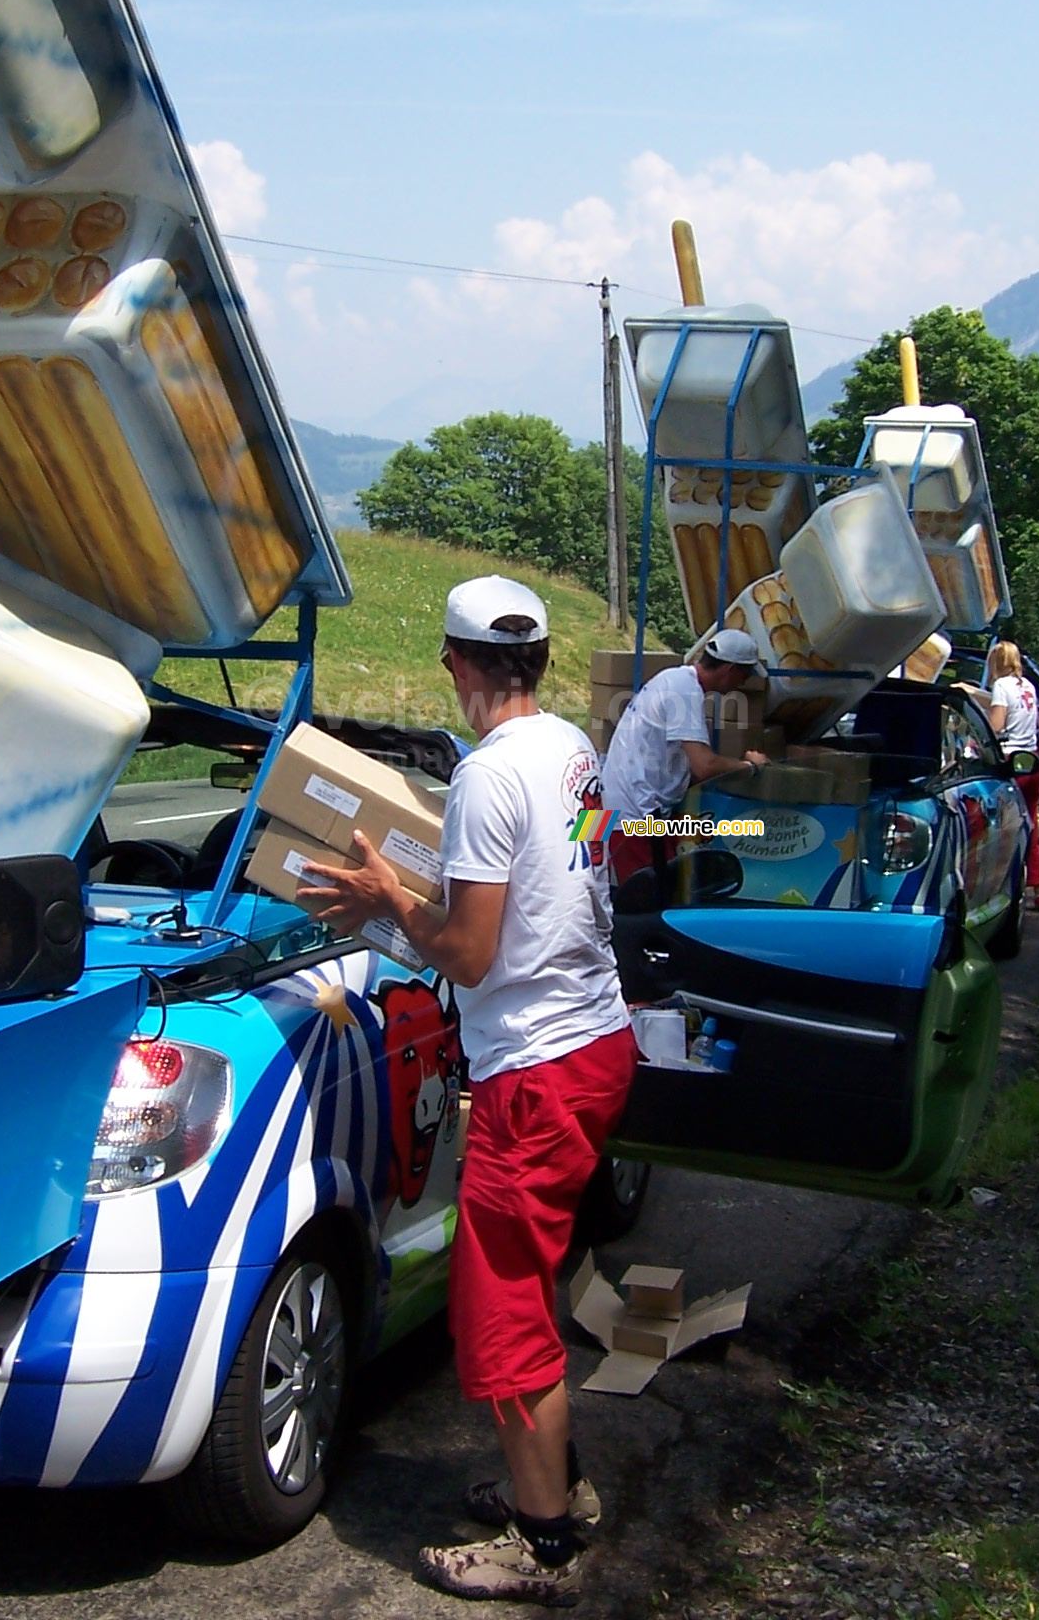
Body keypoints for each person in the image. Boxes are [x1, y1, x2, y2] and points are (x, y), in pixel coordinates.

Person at [299, 575, 633, 1607]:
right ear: (532, 661)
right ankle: (558, 1489)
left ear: (455, 663)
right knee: (526, 1281)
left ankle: (541, 1545)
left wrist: (386, 903)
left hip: (534, 1066)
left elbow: (472, 955)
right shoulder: (570, 746)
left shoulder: (487, 777)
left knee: (498, 1304)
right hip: (595, 1043)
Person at [598, 627, 770, 885]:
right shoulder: (684, 690)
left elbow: (683, 762)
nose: (744, 683)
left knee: (634, 892)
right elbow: (704, 764)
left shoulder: (674, 679)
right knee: (646, 902)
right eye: (745, 674)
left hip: (620, 806)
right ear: (730, 669)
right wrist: (750, 766)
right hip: (635, 815)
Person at [980, 639, 1039, 913]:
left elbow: (996, 726)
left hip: (1010, 762)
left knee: (998, 829)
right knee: (1030, 825)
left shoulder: (1000, 686)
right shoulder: (1026, 686)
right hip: (1031, 761)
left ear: (995, 663)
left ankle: (997, 890)